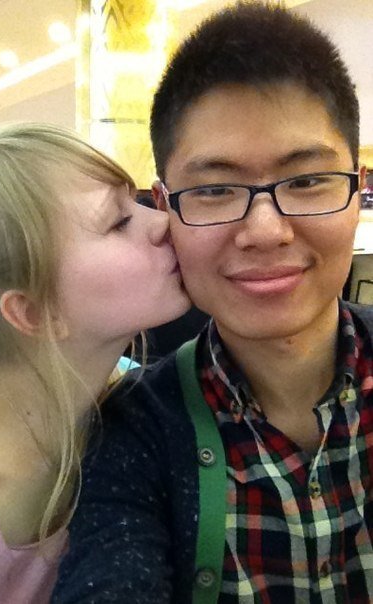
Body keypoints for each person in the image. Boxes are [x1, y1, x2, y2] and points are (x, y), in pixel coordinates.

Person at [53, 2, 373, 603]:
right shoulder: (132, 433)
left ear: (357, 189)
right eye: (216, 189)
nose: (266, 231)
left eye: (307, 181)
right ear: (164, 207)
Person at [0, 122, 190, 603]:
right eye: (118, 221)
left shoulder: (150, 407)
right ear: (35, 312)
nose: (162, 222)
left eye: (136, 202)